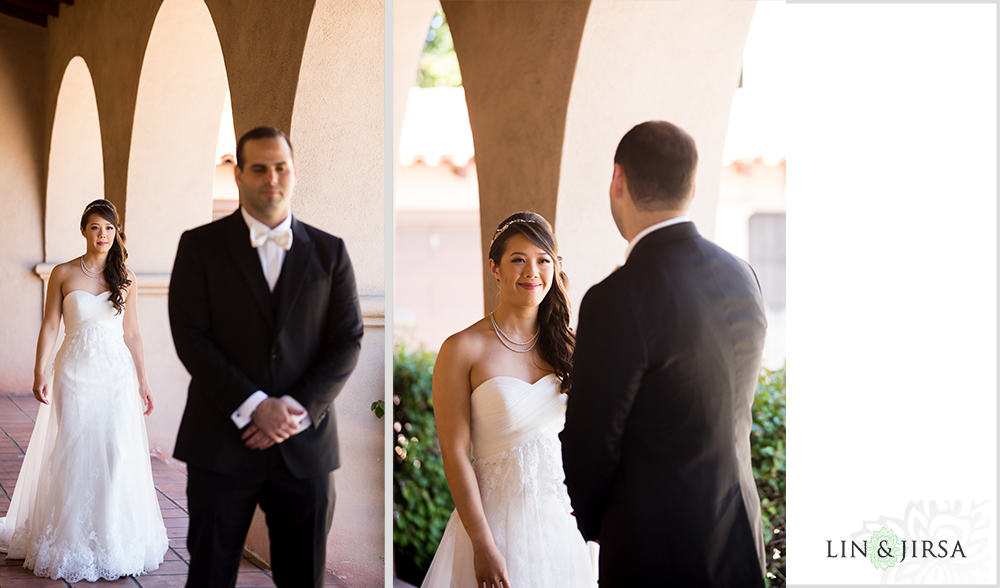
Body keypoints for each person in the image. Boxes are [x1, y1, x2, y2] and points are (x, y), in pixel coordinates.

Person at [560, 120, 768, 587]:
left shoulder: (617, 297)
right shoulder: (743, 276)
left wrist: (605, 529)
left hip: (656, 554)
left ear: (618, 181)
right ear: (693, 187)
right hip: (739, 541)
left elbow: (589, 444)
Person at [168, 126, 363, 588]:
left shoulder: (330, 251)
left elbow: (348, 338)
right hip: (220, 440)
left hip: (306, 445)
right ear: (238, 175)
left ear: (294, 173)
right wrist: (256, 406)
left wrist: (293, 410)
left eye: (281, 168)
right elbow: (190, 337)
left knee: (304, 579)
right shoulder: (200, 247)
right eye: (259, 168)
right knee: (211, 574)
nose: (271, 178)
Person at [421, 211, 595, 588]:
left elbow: (588, 437)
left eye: (543, 260)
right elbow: (454, 454)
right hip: (492, 528)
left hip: (561, 530)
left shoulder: (569, 348)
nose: (532, 271)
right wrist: (482, 544)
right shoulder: (462, 349)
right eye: (518, 259)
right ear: (494, 268)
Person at [0, 199, 168, 582]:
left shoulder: (126, 276)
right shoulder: (62, 272)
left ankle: (110, 538)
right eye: (95, 227)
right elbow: (49, 327)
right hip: (73, 372)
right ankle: (68, 540)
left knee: (115, 448)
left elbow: (133, 333)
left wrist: (143, 380)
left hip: (116, 377)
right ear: (83, 230)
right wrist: (39, 370)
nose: (102, 235)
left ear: (116, 232)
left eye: (109, 228)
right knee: (74, 446)